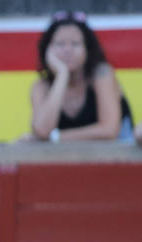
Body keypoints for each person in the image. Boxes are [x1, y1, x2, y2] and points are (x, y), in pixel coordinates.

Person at [26, 11, 135, 143]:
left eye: (75, 43)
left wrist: (56, 137)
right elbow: (42, 130)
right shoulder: (41, 86)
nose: (68, 50)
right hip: (68, 158)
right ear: (47, 50)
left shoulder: (102, 74)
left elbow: (109, 131)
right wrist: (62, 75)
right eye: (60, 44)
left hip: (115, 157)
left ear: (87, 49)